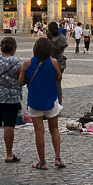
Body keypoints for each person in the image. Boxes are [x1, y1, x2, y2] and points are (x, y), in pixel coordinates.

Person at [19, 37, 64, 170]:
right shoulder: (54, 62)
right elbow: (59, 78)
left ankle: (42, 162)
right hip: (51, 99)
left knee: (39, 131)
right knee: (54, 129)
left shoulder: (27, 64)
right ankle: (57, 158)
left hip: (35, 100)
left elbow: (20, 82)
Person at [46, 21, 68, 104]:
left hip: (59, 62)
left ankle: (58, 102)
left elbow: (56, 49)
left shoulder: (61, 38)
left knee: (57, 84)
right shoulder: (51, 37)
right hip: (50, 62)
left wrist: (50, 40)